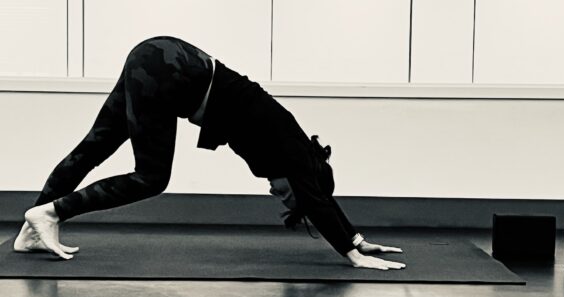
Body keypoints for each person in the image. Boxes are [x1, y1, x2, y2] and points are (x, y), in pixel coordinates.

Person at [13, 36, 405, 271]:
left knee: (95, 146)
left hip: (160, 56)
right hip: (172, 70)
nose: (279, 196)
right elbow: (317, 198)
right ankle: (50, 213)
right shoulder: (295, 152)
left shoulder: (292, 150)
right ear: (306, 179)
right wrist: (351, 253)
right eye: (289, 194)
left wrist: (355, 237)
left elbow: (320, 197)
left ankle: (31, 230)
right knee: (152, 177)